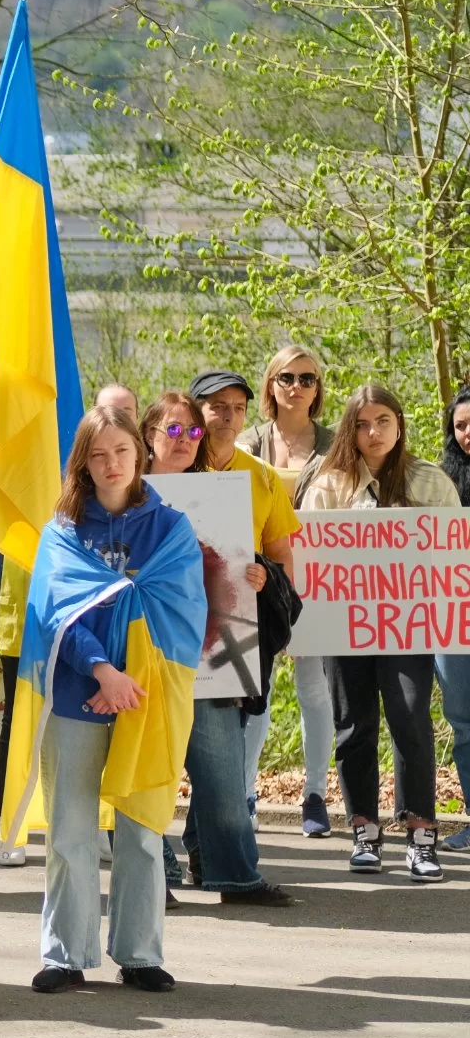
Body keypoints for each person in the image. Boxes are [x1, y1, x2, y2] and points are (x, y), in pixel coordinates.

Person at [12, 408, 206, 994]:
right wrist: (102, 673)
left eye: (122, 451)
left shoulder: (171, 529)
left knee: (143, 831)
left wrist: (128, 682)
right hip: (78, 694)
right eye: (98, 455)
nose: (111, 464)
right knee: (71, 829)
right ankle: (64, 952)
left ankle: (140, 953)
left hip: (144, 698)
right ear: (83, 463)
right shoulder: (62, 530)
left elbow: (181, 614)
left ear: (140, 451)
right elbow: (56, 612)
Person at [303, 383, 459, 881]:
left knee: (411, 720)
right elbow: (308, 557)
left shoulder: (430, 482)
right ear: (350, 427)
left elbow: (454, 556)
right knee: (354, 726)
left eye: (383, 422)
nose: (374, 433)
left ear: (399, 423)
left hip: (408, 628)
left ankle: (420, 836)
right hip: (342, 628)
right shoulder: (328, 486)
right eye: (363, 424)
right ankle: (364, 832)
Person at [176, 371, 299, 905]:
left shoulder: (263, 478)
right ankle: (169, 864)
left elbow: (280, 554)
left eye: (237, 407)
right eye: (216, 406)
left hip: (232, 630)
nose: (227, 415)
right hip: (168, 627)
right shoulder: (172, 468)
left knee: (222, 755)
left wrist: (273, 589)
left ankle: (221, 865)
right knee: (180, 758)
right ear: (196, 414)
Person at [236, 345, 334, 835]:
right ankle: (246, 793)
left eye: (308, 379)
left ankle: (315, 794)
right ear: (271, 384)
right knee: (257, 690)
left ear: (319, 390)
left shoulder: (338, 444)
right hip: (260, 584)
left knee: (315, 690)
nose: (297, 387)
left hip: (319, 585)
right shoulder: (246, 444)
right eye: (288, 378)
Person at [440, 388, 470, 852]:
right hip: (452, 616)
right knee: (463, 720)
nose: (467, 434)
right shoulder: (439, 482)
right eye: (460, 425)